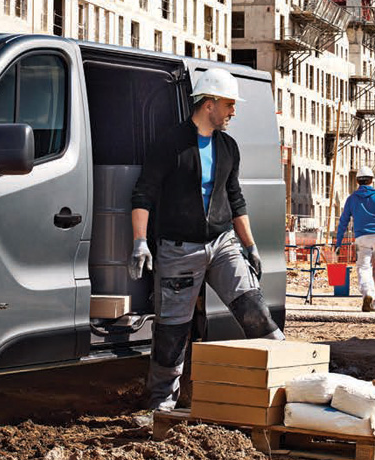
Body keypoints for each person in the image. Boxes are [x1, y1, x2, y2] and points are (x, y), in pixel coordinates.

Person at [129, 68, 285, 413]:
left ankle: (285, 382)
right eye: (229, 104)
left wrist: (250, 246)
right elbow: (143, 194)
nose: (234, 111)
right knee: (172, 331)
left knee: (255, 311)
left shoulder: (228, 147)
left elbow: (235, 199)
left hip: (223, 244)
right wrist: (140, 241)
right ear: (209, 103)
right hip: (178, 250)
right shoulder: (171, 144)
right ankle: (161, 404)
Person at [333, 167, 375, 312]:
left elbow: (343, 222)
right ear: (371, 180)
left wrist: (338, 243)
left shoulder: (351, 199)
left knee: (363, 267)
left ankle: (368, 293)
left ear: (357, 181)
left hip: (361, 238)